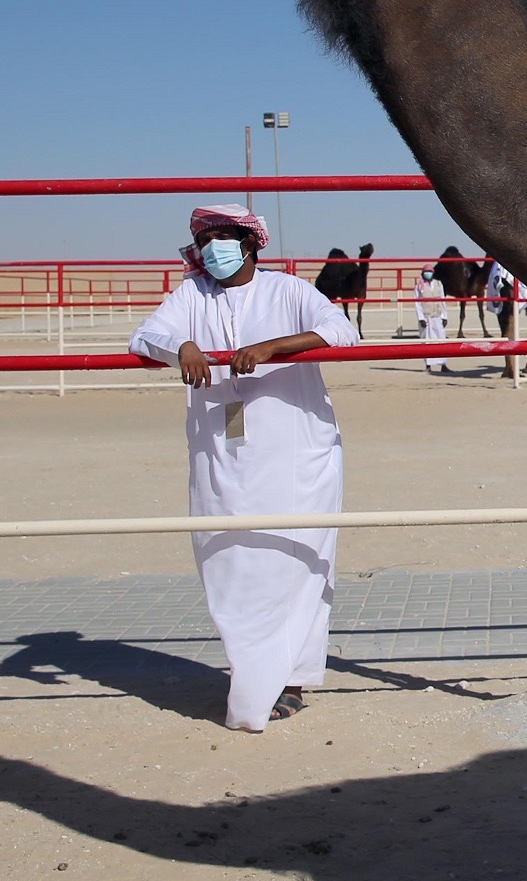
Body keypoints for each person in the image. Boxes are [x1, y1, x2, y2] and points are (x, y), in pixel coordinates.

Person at [130, 205, 360, 731]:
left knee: (295, 557)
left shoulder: (289, 292)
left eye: (222, 236)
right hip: (222, 453)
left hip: (297, 452)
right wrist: (183, 346)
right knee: (231, 562)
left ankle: (292, 679)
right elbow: (145, 335)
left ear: (249, 242)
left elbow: (341, 332)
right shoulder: (192, 295)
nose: (213, 247)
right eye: (204, 238)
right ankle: (253, 676)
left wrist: (273, 347)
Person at [413, 263, 451, 373]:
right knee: (427, 341)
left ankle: (443, 364)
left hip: (438, 316)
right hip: (426, 317)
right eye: (426, 272)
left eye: (430, 272)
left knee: (441, 340)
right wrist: (421, 319)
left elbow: (443, 300)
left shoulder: (439, 284)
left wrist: (445, 316)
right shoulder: (419, 286)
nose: (428, 274)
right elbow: (417, 303)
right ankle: (428, 365)